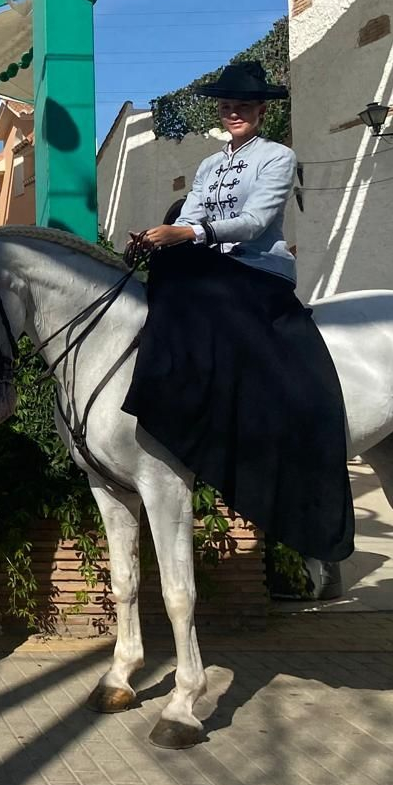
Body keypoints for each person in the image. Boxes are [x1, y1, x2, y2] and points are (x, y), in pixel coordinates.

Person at [124, 59, 353, 560]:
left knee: (202, 291)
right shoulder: (209, 165)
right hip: (213, 263)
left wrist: (189, 234)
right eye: (227, 107)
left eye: (243, 107)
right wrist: (157, 237)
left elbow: (255, 222)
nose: (233, 114)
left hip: (259, 270)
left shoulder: (277, 157)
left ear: (260, 111)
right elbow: (190, 214)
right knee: (165, 276)